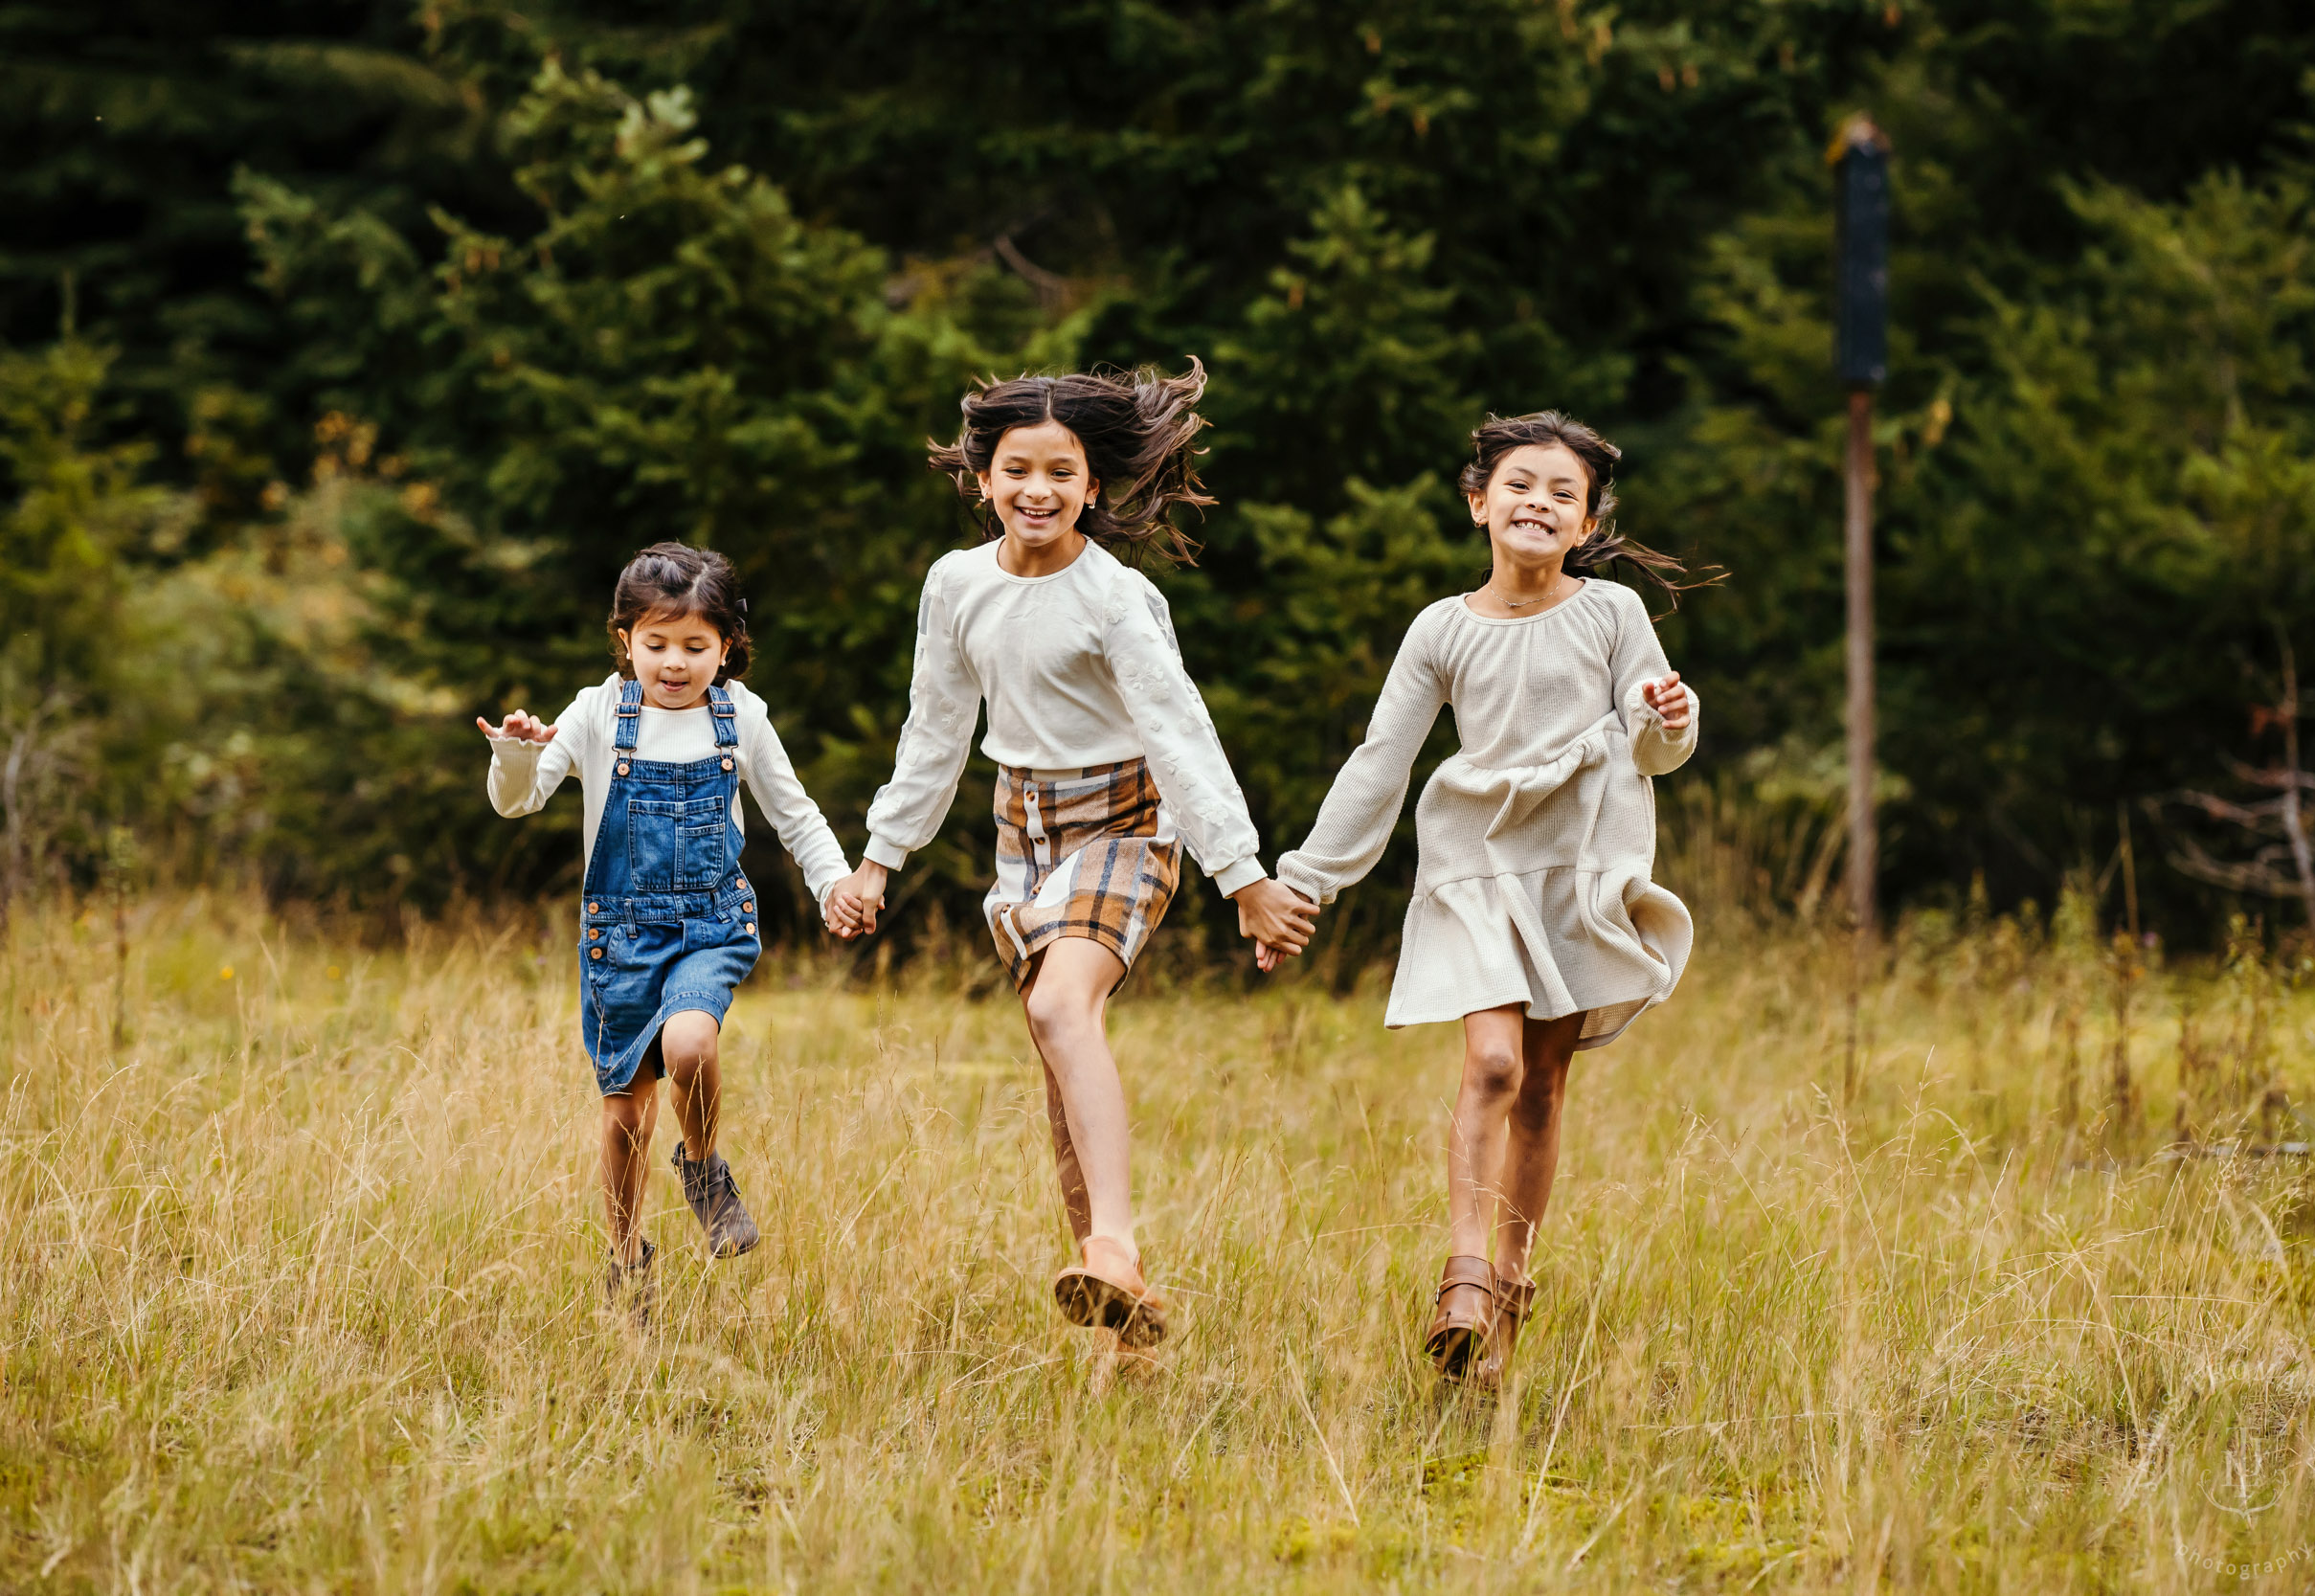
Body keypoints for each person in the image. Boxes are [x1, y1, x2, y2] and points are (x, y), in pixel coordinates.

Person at [835, 358, 1316, 1350]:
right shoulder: (956, 584)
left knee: (1062, 1006)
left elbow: (1179, 733)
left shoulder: (1116, 596)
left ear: (1093, 487)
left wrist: (1244, 876)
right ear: (982, 479)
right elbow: (935, 729)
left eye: (1061, 472)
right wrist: (879, 858)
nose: (1038, 490)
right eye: (1017, 469)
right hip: (1024, 832)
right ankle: (1121, 1328)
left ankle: (1118, 1250)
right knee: (1061, 1073)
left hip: (1125, 822)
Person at [1272, 412, 1712, 1388]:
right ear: (1478, 502)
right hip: (1475, 857)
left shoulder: (1609, 614)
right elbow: (1381, 759)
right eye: (1519, 484)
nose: (1538, 503)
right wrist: (1304, 877)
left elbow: (1652, 738)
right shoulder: (1440, 627)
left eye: (1563, 493)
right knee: (1491, 1063)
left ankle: (1510, 1284)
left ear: (1587, 522)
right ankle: (1462, 1275)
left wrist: (1670, 719)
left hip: (1578, 863)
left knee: (1545, 1084)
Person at [479, 543, 864, 1314]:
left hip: (708, 929)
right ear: (626, 641)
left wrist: (835, 882)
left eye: (696, 646)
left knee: (691, 1044)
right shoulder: (598, 712)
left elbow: (796, 814)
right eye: (656, 644)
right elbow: (516, 801)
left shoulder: (741, 717)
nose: (675, 663)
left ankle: (705, 1167)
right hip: (619, 944)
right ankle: (626, 1261)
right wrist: (516, 753)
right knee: (625, 1117)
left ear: (727, 647)